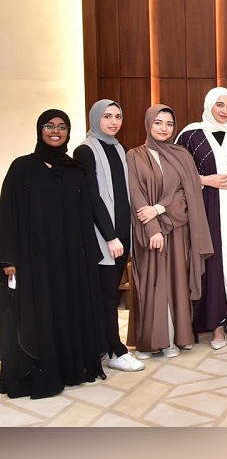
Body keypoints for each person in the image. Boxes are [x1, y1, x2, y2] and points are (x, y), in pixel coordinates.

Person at [0, 110, 106, 398]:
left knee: (67, 309)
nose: (55, 131)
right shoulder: (22, 168)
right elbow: (7, 214)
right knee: (39, 313)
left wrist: (90, 254)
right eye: (49, 126)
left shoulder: (75, 170)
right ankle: (40, 371)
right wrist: (9, 259)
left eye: (62, 126)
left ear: (69, 132)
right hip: (35, 260)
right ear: (40, 129)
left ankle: (70, 368)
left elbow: (85, 215)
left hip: (71, 259)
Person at [127, 105, 214, 359]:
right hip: (147, 232)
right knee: (151, 284)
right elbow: (135, 194)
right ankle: (148, 342)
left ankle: (176, 338)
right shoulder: (135, 155)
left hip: (177, 230)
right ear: (148, 124)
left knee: (175, 282)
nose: (164, 128)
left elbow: (188, 195)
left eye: (168, 123)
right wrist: (153, 227)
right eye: (158, 123)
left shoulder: (182, 155)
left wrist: (158, 208)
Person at [176, 87, 227, 349]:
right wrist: (204, 180)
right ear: (209, 105)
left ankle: (226, 323)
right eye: (219, 105)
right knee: (209, 267)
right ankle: (210, 325)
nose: (225, 111)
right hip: (204, 211)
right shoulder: (190, 135)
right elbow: (176, 173)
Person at [73, 100, 145, 372]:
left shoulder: (119, 148)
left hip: (122, 233)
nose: (114, 122)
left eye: (118, 116)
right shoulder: (85, 151)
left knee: (109, 293)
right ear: (95, 119)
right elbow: (92, 197)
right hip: (103, 236)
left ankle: (104, 345)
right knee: (106, 297)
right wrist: (110, 236)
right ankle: (116, 350)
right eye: (107, 117)